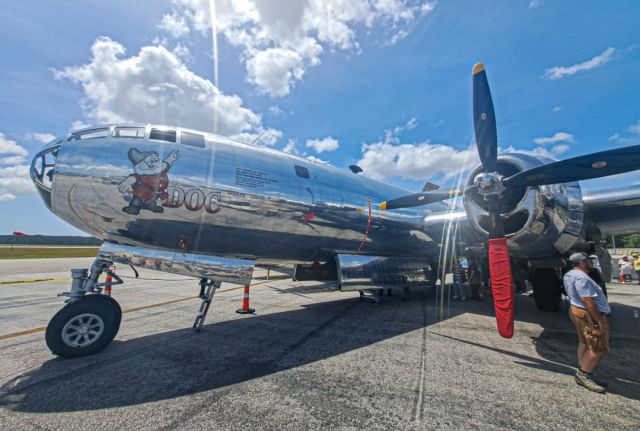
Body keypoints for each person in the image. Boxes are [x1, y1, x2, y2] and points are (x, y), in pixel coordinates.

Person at [563, 252, 611, 393]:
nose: (591, 262)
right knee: (598, 344)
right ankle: (584, 374)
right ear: (582, 262)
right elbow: (587, 300)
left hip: (577, 310)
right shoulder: (581, 277)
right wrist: (600, 321)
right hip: (588, 314)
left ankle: (583, 369)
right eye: (589, 260)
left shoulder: (569, 274)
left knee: (584, 341)